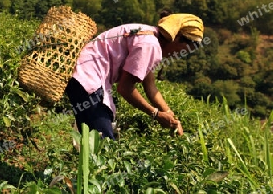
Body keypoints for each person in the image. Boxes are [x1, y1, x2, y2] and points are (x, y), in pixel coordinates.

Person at [64, 11, 204, 140]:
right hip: (88, 78)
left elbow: (150, 87)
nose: (180, 54)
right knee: (103, 143)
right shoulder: (150, 45)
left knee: (93, 141)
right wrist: (156, 114)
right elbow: (125, 88)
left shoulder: (150, 35)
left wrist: (169, 114)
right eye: (184, 49)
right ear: (177, 37)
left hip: (84, 75)